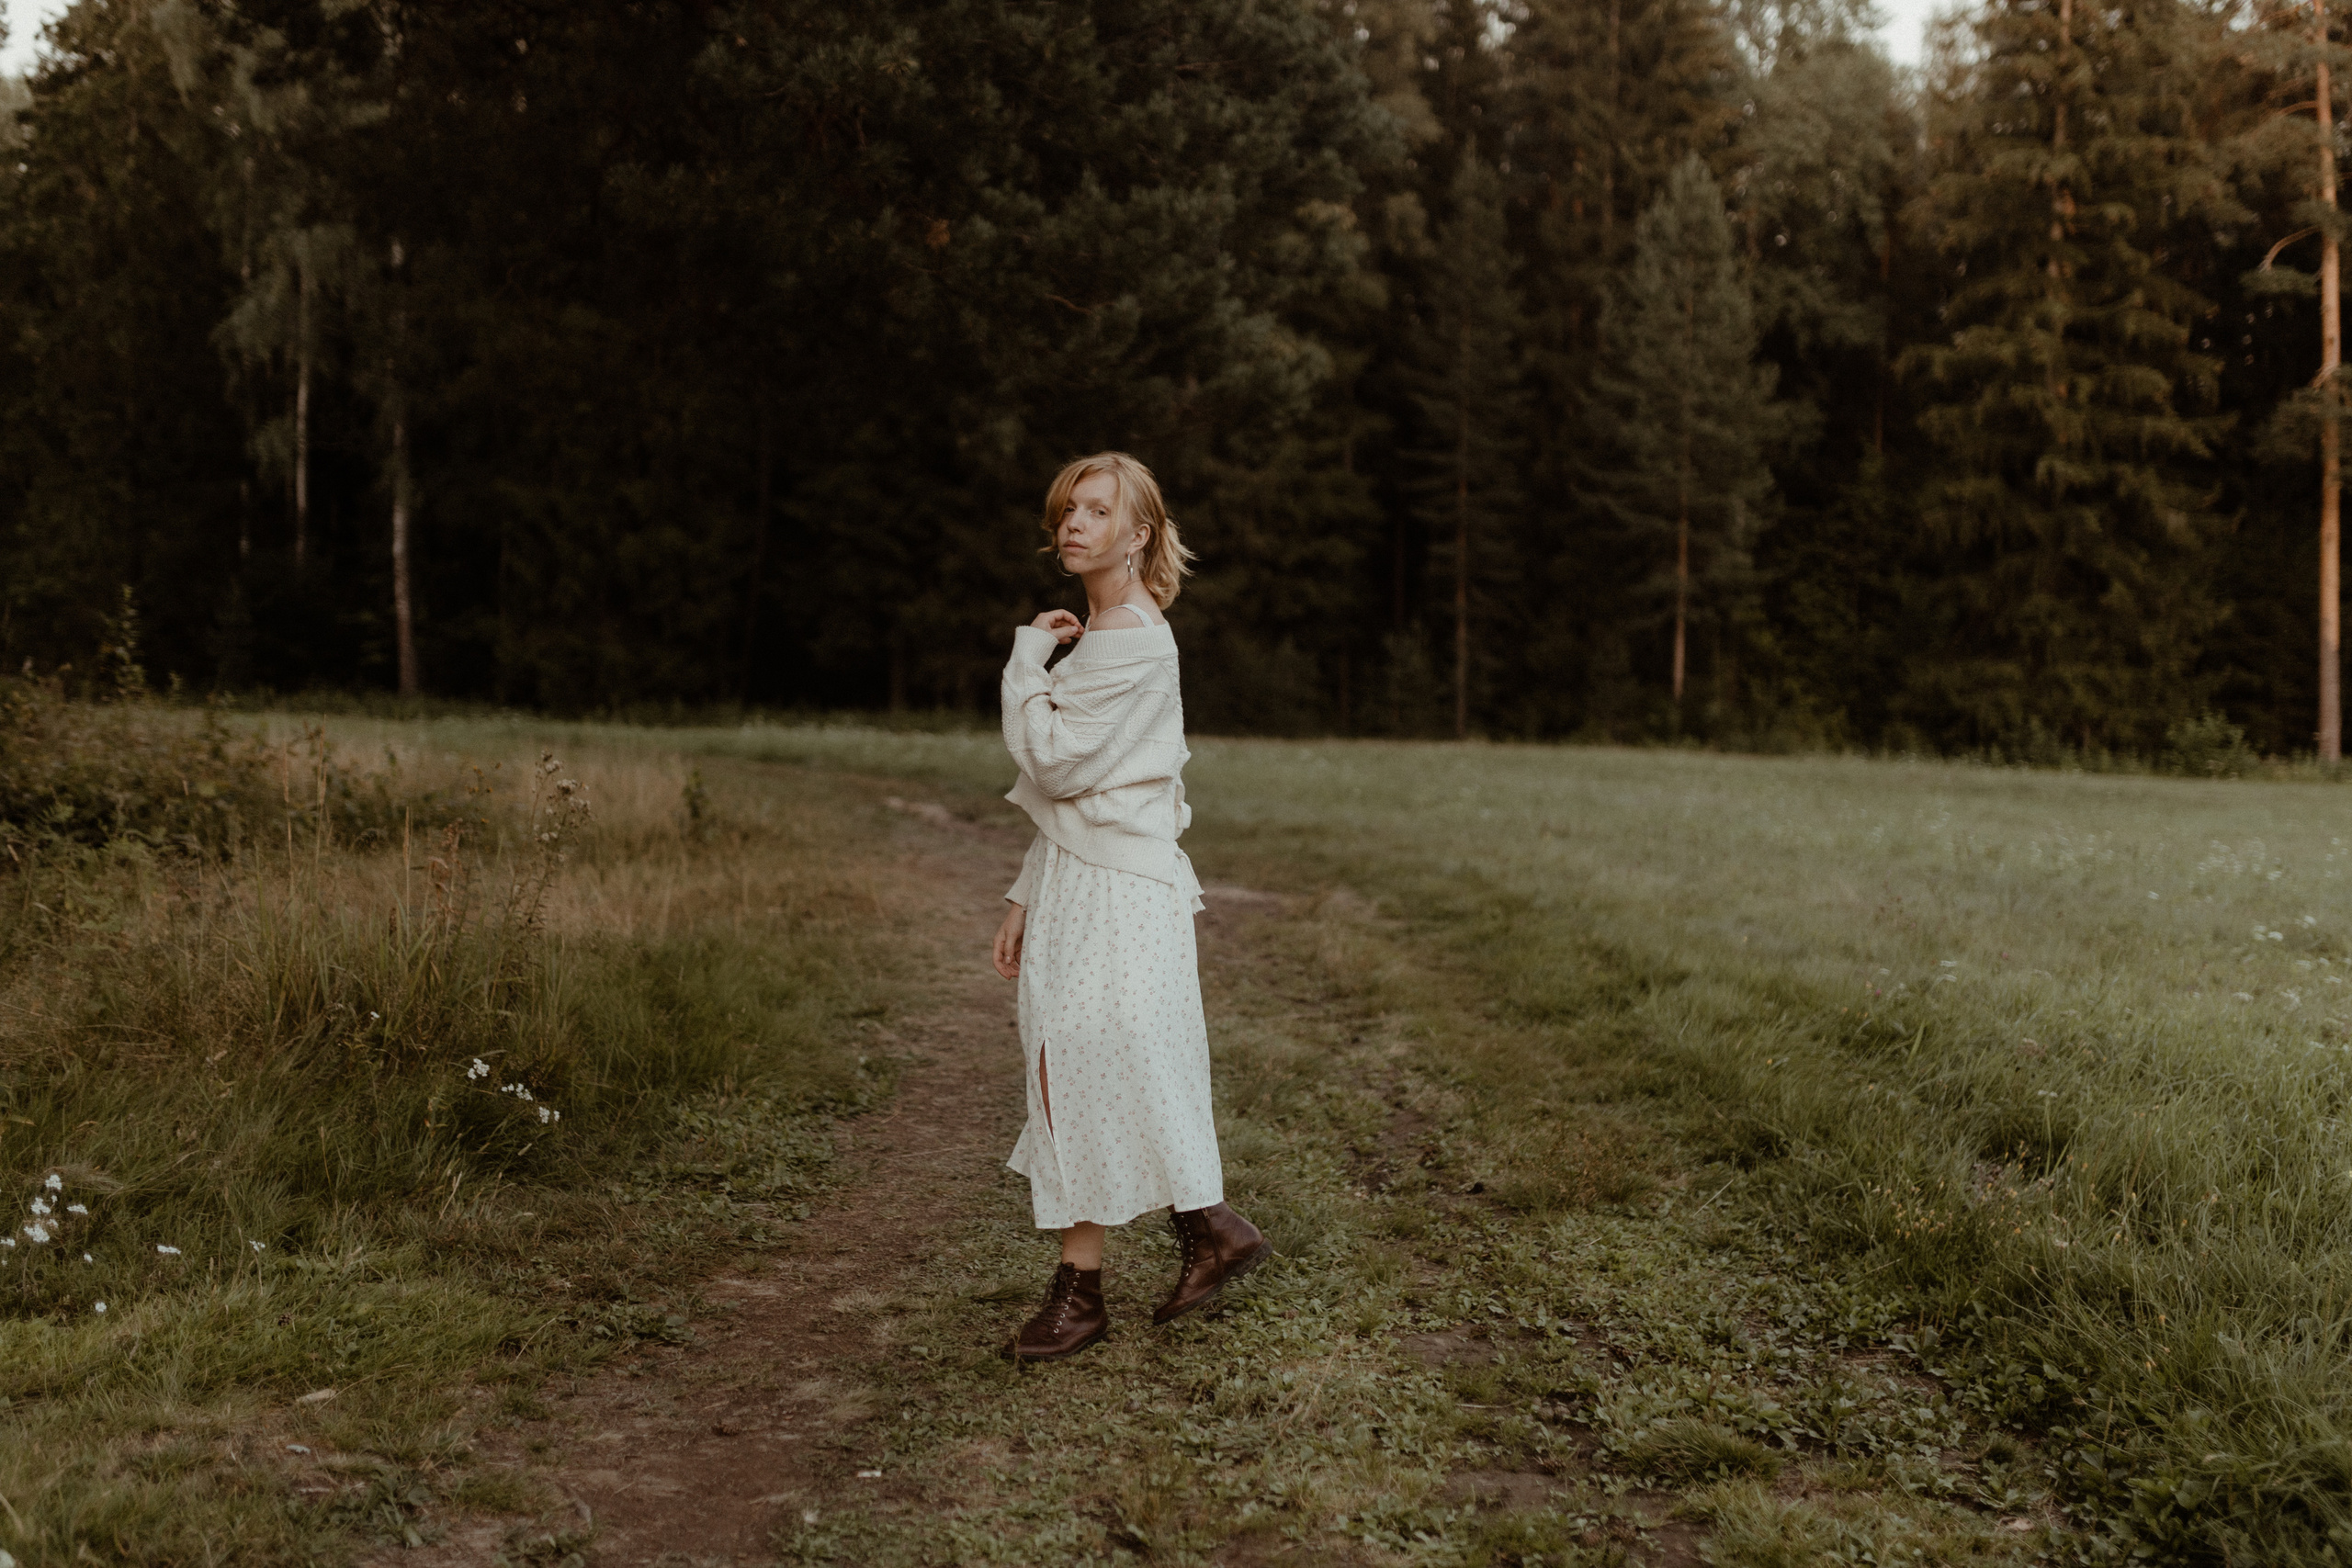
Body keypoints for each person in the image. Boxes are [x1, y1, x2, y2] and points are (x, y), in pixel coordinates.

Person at [989, 451, 1270, 1362]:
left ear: (1137, 533)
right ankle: (1197, 1235)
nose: (1073, 524)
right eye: (1067, 509)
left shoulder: (1133, 637)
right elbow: (1081, 799)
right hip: (1084, 879)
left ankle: (1094, 1288)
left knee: (1082, 1060)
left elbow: (1053, 763)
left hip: (1117, 892)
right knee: (1086, 1063)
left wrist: (1027, 658)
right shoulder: (1108, 630)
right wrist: (1025, 893)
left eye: (1097, 511)